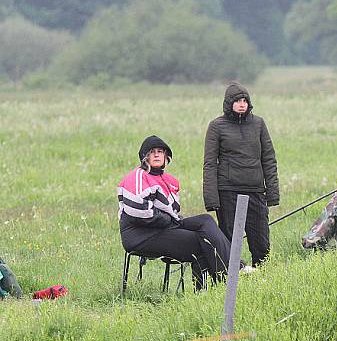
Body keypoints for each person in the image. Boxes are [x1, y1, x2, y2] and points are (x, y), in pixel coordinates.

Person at [118, 135, 230, 289]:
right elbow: (138, 211)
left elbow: (173, 213)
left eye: (160, 151)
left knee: (205, 220)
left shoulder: (170, 181)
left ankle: (228, 273)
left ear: (166, 157)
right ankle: (216, 286)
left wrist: (171, 221)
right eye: (152, 152)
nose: (157, 155)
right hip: (140, 235)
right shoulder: (137, 177)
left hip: (164, 228)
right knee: (199, 241)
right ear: (145, 157)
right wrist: (168, 221)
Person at [203, 82, 280, 266]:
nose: (241, 104)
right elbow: (209, 164)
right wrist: (211, 199)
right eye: (237, 100)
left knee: (261, 242)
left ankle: (261, 278)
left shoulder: (259, 124)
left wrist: (272, 193)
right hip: (228, 192)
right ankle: (230, 280)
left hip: (255, 191)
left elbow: (269, 159)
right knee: (228, 242)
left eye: (245, 100)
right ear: (229, 103)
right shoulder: (216, 126)